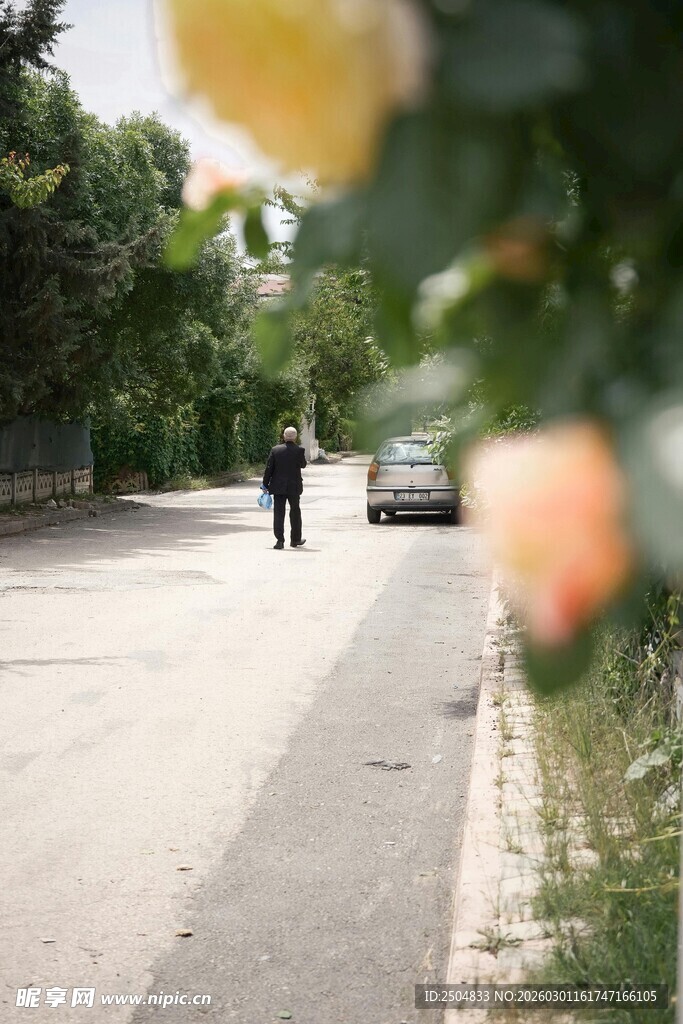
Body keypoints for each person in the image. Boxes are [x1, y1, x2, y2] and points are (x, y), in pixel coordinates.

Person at [262, 426, 307, 549]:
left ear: (284, 436)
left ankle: (280, 540)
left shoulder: (275, 450)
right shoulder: (299, 450)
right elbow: (303, 465)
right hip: (294, 487)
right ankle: (295, 540)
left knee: (279, 513)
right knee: (295, 512)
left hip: (278, 487)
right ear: (295, 437)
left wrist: (265, 485)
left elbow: (269, 469)